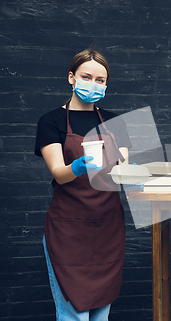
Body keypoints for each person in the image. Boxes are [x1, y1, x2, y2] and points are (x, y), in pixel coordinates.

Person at [34, 49, 132, 321]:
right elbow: (58, 173)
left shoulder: (115, 122)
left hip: (108, 228)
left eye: (100, 80)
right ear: (71, 78)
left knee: (101, 314)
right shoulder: (51, 121)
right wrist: (77, 166)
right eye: (86, 76)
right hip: (68, 230)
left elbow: (121, 171)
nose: (93, 84)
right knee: (73, 316)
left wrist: (133, 172)